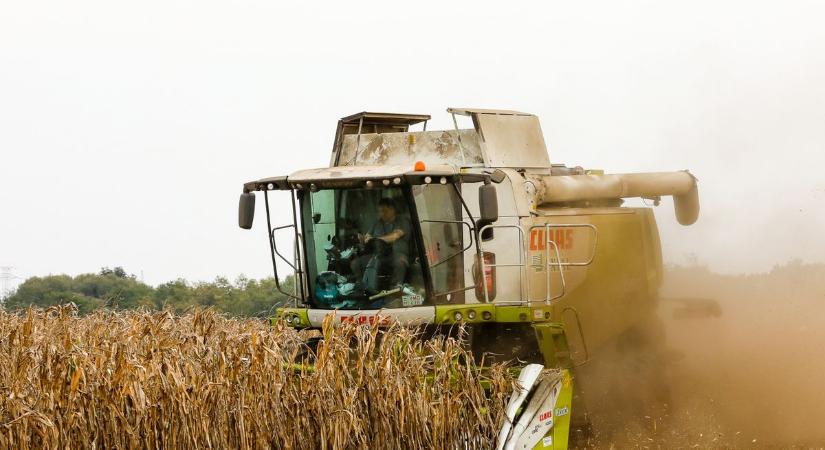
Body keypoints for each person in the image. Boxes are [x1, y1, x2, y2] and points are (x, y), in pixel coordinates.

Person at [351, 197, 411, 288]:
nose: (381, 214)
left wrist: (375, 238)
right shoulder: (377, 223)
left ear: (392, 209)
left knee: (400, 262)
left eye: (384, 210)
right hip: (377, 256)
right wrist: (362, 239)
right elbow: (368, 236)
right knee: (355, 264)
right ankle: (363, 287)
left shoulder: (402, 221)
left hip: (395, 254)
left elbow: (395, 236)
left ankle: (396, 288)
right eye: (379, 211)